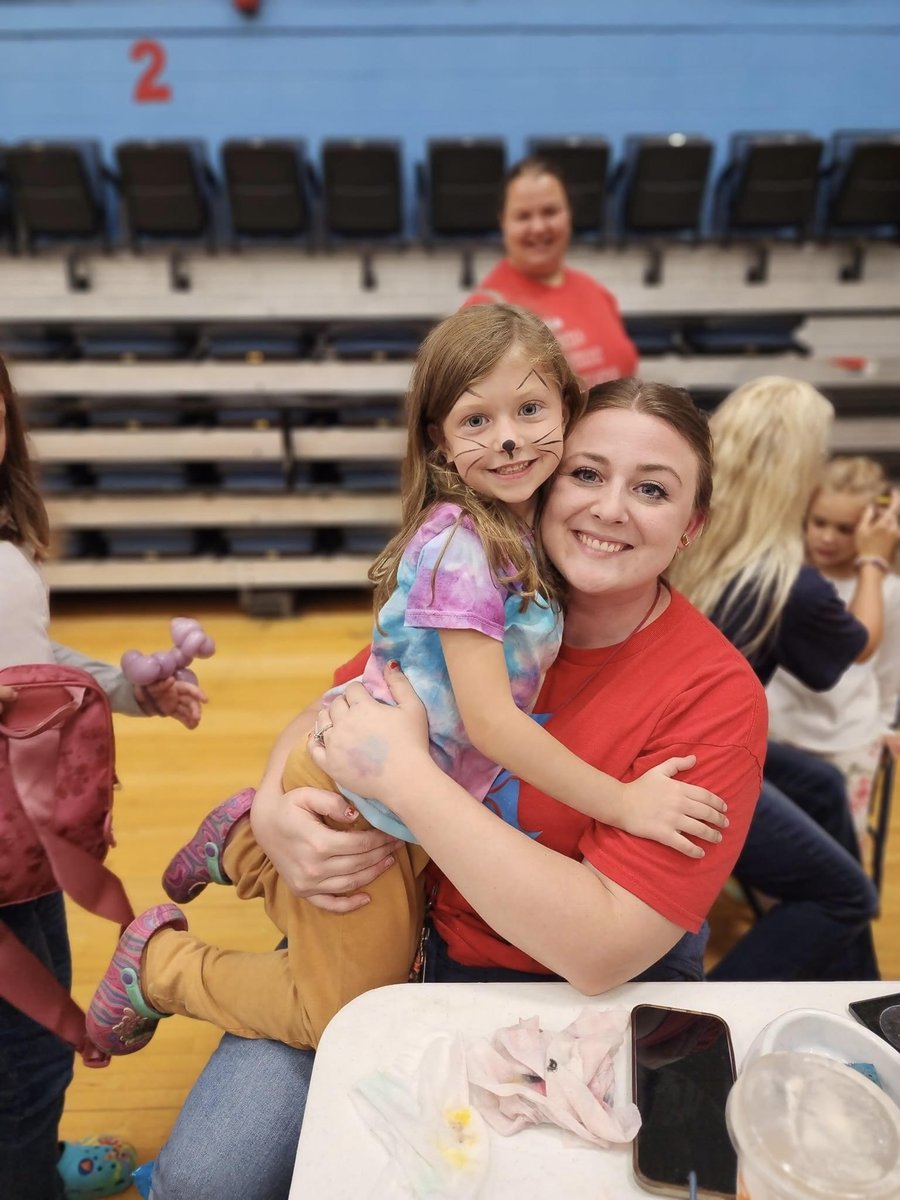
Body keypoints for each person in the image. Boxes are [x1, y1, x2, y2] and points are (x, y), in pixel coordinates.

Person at [146, 377, 767, 1200]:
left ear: (691, 526)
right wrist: (267, 802)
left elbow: (597, 951)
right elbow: (340, 704)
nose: (611, 508)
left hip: (578, 996)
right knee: (203, 1182)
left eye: (651, 489)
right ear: (544, 484)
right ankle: (233, 868)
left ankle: (171, 955)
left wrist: (403, 777)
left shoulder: (714, 695)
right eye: (586, 474)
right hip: (401, 943)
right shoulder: (489, 591)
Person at [87, 307, 725, 1059]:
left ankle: (240, 848)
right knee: (343, 1016)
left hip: (405, 803)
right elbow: (489, 723)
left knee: (355, 967)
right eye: (477, 420)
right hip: (368, 799)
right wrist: (623, 802)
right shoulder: (465, 548)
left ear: (566, 407)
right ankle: (161, 968)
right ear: (439, 442)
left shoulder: (520, 533)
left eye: (529, 410)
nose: (511, 438)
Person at [0, 357, 206, 1200]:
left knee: (37, 1040)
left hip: (21, 845)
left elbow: (32, 659)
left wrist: (129, 686)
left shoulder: (5, 548)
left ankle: (28, 1160)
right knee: (23, 1060)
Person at [669, 377, 897, 981]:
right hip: (690, 762)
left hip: (670, 731)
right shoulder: (786, 582)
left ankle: (857, 995)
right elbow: (859, 647)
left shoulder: (685, 531)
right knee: (847, 896)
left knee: (820, 783)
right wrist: (874, 557)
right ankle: (708, 1013)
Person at [766, 456, 900, 840]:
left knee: (842, 846)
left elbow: (889, 668)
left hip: (850, 740)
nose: (827, 537)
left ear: (873, 528)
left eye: (845, 529)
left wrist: (883, 726)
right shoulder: (789, 580)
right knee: (783, 843)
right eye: (819, 523)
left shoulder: (888, 593)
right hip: (778, 732)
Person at [463, 157, 638, 386]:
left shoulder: (594, 290)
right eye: (523, 216)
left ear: (569, 215)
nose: (538, 227)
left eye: (550, 212)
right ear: (503, 222)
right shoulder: (483, 312)